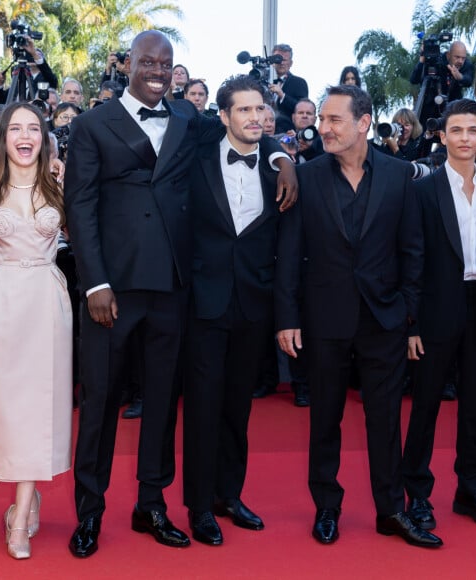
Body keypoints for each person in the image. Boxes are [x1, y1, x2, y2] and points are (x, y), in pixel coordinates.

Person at [64, 29, 297, 558]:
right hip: (113, 289)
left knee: (165, 403)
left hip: (172, 289)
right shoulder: (90, 124)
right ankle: (90, 512)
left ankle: (152, 503)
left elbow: (245, 136)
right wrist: (94, 282)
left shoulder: (191, 121)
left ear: (174, 72)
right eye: (147, 61)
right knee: (100, 402)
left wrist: (283, 158)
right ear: (128, 64)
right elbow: (79, 208)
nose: (155, 70)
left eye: (165, 64)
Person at [275, 84, 442, 548]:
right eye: (321, 120)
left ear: (363, 123)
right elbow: (290, 254)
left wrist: (407, 311)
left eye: (333, 120)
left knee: (385, 420)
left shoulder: (395, 176)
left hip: (383, 320)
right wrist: (287, 317)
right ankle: (327, 506)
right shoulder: (305, 178)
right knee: (324, 418)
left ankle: (391, 510)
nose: (322, 128)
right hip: (323, 319)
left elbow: (413, 250)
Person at [402, 99, 476, 532]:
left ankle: (471, 489)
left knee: (474, 408)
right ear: (442, 135)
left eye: (473, 131)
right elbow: (411, 259)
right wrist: (409, 323)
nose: (466, 139)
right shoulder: (422, 191)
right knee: (426, 407)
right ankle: (416, 494)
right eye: (458, 131)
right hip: (435, 311)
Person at [183, 74, 284, 546]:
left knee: (237, 410)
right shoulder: (198, 155)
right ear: (223, 116)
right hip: (204, 303)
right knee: (203, 409)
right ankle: (199, 506)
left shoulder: (280, 167)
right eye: (241, 110)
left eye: (258, 109)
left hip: (253, 305)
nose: (253, 117)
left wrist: (283, 155)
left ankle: (229, 494)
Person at [0, 102, 72, 559]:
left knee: (42, 402)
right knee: (7, 404)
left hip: (47, 301)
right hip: (1, 301)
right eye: (16, 128)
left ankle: (19, 514)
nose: (25, 135)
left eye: (33, 127)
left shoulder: (59, 182)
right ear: (3, 137)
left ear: (44, 136)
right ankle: (27, 496)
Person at [410, 40, 474, 128]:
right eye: (457, 57)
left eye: (463, 58)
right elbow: (414, 80)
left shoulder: (466, 65)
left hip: (452, 110)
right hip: (429, 108)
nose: (460, 61)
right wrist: (421, 61)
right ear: (448, 54)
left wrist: (460, 77)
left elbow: (468, 80)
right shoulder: (437, 61)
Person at [268, 43, 309, 133]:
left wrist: (282, 95)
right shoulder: (265, 81)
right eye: (278, 59)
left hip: (287, 133)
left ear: (291, 63)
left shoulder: (299, 82)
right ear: (272, 62)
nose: (281, 63)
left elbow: (303, 109)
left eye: (285, 60)